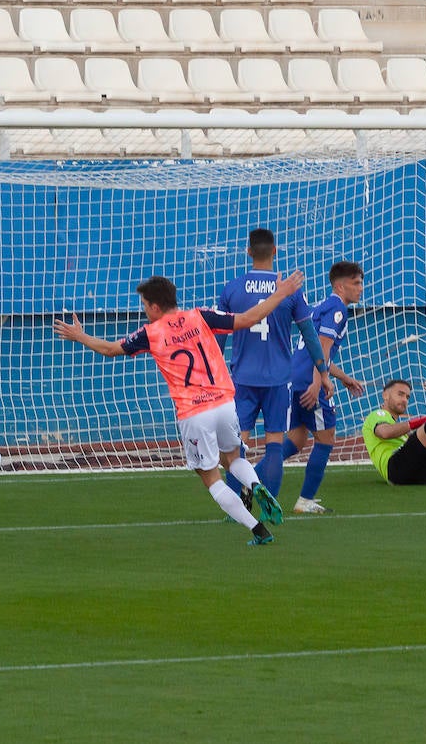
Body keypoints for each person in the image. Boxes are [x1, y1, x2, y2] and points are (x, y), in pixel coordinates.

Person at [53, 272, 308, 546]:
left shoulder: (150, 333)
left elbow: (111, 349)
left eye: (143, 304)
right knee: (232, 458)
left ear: (154, 306)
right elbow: (247, 319)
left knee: (209, 476)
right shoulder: (201, 316)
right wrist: (280, 294)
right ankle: (256, 486)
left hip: (194, 412)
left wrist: (80, 336)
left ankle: (258, 530)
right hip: (224, 403)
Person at [215, 228, 329, 512]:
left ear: (248, 252)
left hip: (242, 378)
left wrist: (213, 375)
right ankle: (271, 506)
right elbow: (310, 334)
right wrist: (323, 372)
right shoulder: (289, 290)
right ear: (275, 251)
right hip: (279, 379)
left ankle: (239, 509)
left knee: (237, 445)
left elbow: (218, 337)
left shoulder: (232, 288)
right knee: (275, 443)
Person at [277, 261, 368, 515]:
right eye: (356, 283)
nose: (361, 288)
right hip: (310, 382)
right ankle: (305, 500)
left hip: (294, 379)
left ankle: (250, 478)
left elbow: (316, 351)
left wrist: (344, 378)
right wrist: (320, 383)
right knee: (326, 440)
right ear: (340, 286)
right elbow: (324, 350)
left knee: (295, 440)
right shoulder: (338, 309)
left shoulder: (320, 308)